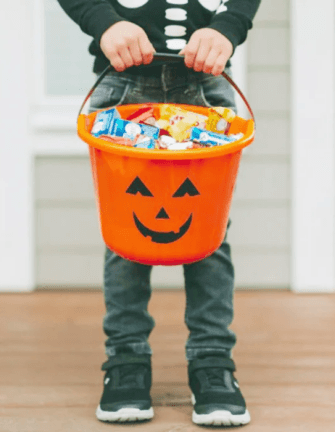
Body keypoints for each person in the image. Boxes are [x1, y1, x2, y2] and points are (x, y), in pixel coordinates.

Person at [57, 0, 260, 426]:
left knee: (209, 232)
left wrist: (227, 26)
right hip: (123, 87)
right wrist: (104, 23)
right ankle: (126, 362)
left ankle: (212, 363)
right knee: (127, 230)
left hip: (207, 87)